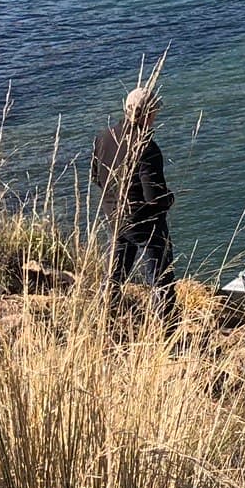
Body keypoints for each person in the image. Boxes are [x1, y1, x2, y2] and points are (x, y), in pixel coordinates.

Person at [90, 84, 177, 322]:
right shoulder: (146, 147)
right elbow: (154, 196)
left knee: (115, 274)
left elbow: (96, 177)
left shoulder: (104, 138)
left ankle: (103, 318)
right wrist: (169, 199)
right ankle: (164, 326)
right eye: (155, 112)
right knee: (160, 277)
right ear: (148, 113)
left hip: (115, 217)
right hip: (145, 222)